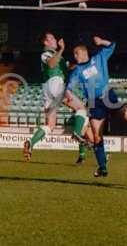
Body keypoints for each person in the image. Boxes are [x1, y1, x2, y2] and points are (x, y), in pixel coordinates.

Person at [67, 36, 127, 177]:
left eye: (75, 54)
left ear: (83, 53)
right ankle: (102, 167)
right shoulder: (77, 71)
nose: (74, 57)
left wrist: (102, 41)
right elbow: (69, 88)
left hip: (108, 95)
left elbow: (112, 45)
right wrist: (69, 96)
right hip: (93, 102)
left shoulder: (98, 58)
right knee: (97, 136)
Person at [23, 32, 89, 162]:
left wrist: (81, 64)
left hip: (47, 89)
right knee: (82, 109)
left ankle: (31, 143)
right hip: (56, 84)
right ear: (45, 43)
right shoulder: (47, 53)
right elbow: (52, 64)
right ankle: (77, 134)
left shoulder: (59, 56)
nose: (54, 40)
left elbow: (68, 67)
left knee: (50, 125)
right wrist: (62, 49)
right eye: (51, 38)